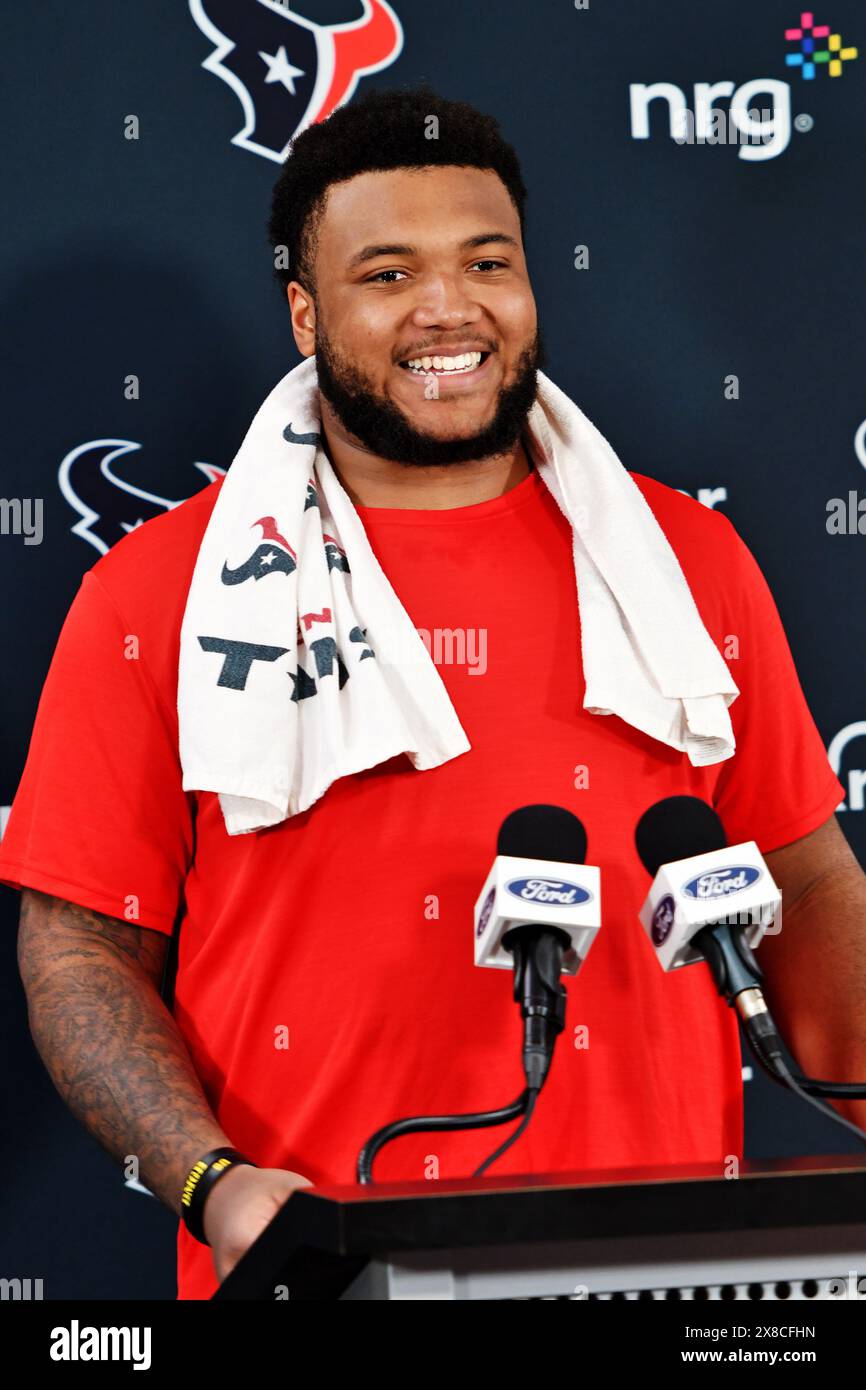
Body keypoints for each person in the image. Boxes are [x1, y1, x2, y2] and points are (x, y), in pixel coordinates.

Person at [2, 85, 864, 1302]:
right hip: (320, 1269)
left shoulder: (687, 560)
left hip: (673, 1271)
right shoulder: (157, 595)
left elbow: (805, 872)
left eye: (486, 262)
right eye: (389, 273)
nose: (449, 309)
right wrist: (212, 1181)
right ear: (305, 316)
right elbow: (80, 943)